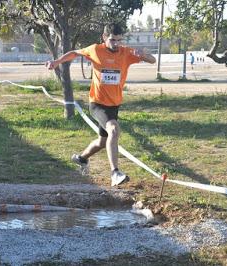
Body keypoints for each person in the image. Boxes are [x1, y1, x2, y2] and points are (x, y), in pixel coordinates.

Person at [47, 23, 156, 186]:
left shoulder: (126, 52)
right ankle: (115, 173)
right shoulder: (95, 50)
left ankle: (81, 158)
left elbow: (152, 60)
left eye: (119, 40)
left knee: (103, 141)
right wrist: (56, 62)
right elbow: (74, 53)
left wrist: (143, 54)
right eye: (112, 40)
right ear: (104, 38)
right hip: (97, 103)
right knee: (113, 130)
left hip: (114, 105)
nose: (116, 44)